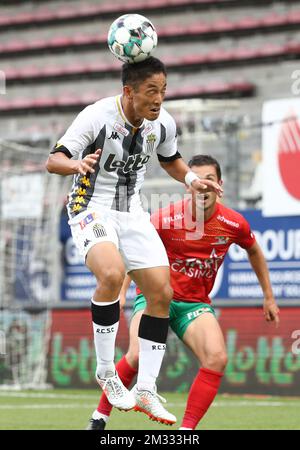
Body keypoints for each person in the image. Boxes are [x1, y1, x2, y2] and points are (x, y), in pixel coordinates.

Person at [46, 58, 223, 424]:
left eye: (163, 91)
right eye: (151, 91)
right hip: (91, 207)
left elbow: (170, 159)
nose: (158, 99)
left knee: (161, 292)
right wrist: (76, 165)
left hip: (133, 213)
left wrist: (192, 180)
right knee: (111, 275)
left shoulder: (163, 122)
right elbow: (55, 159)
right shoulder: (96, 116)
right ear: (129, 91)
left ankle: (145, 389)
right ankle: (107, 371)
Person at [90, 154, 280, 430]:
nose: (203, 186)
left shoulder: (233, 223)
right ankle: (99, 418)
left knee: (217, 358)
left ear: (220, 185)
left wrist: (268, 296)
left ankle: (185, 431)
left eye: (210, 180)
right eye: (197, 180)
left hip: (194, 305)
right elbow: (134, 251)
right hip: (155, 298)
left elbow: (254, 250)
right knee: (136, 354)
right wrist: (122, 292)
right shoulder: (165, 219)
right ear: (188, 185)